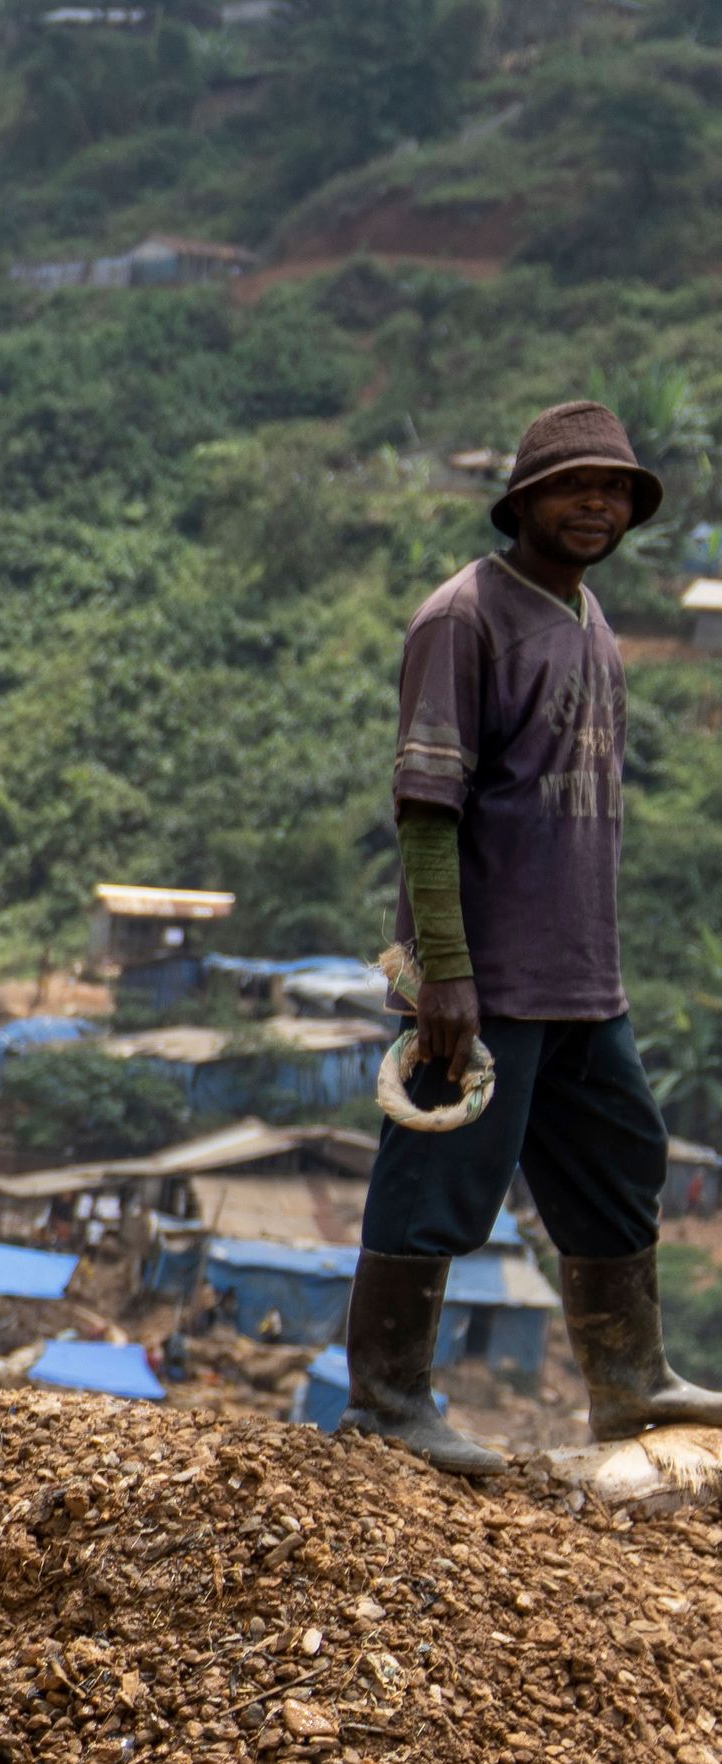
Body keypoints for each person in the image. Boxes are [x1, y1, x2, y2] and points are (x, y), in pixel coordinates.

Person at [345, 399, 722, 1472]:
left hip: (579, 978)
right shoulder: (465, 618)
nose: (596, 505)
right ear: (526, 503)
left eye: (614, 490)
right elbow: (427, 809)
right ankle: (386, 1397)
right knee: (440, 1178)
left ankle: (629, 1380)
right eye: (573, 487)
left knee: (622, 1154)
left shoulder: (591, 618)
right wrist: (445, 975)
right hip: (483, 975)